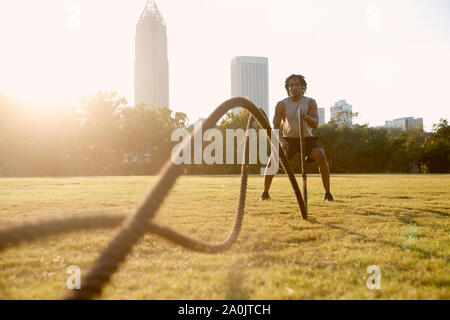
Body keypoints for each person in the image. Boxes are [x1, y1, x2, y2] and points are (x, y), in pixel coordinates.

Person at [260, 74, 334, 201]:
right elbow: (275, 128)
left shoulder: (310, 102)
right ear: (287, 88)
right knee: (273, 161)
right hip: (288, 139)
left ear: (302, 87)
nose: (293, 87)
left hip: (306, 139)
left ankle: (328, 194)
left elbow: (315, 123)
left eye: (297, 85)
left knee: (320, 155)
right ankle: (265, 193)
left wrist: (305, 117)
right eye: (291, 85)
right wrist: (282, 140)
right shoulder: (281, 104)